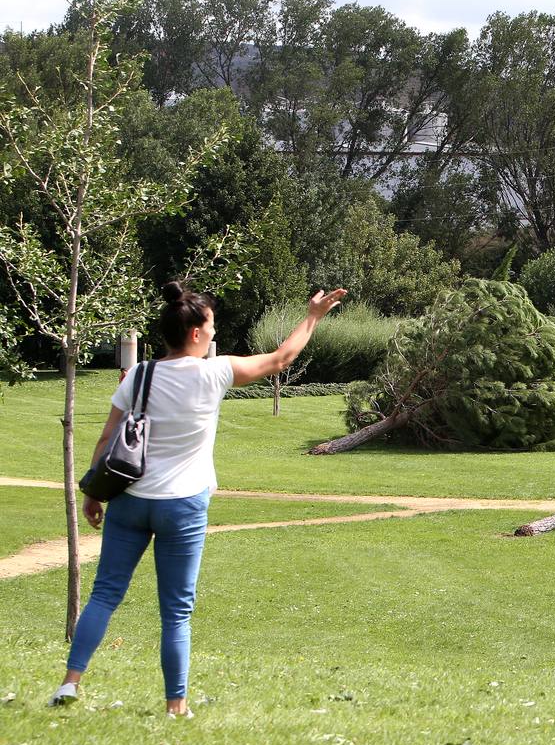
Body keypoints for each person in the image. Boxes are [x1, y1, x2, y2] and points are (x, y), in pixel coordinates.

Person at [49, 282, 347, 716]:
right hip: (182, 506)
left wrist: (94, 493)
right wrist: (313, 316)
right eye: (211, 325)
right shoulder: (215, 373)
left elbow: (108, 437)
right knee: (176, 612)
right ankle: (176, 707)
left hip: (129, 499)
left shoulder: (139, 375)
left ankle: (69, 684)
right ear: (194, 333)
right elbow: (282, 358)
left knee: (105, 594)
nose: (214, 332)